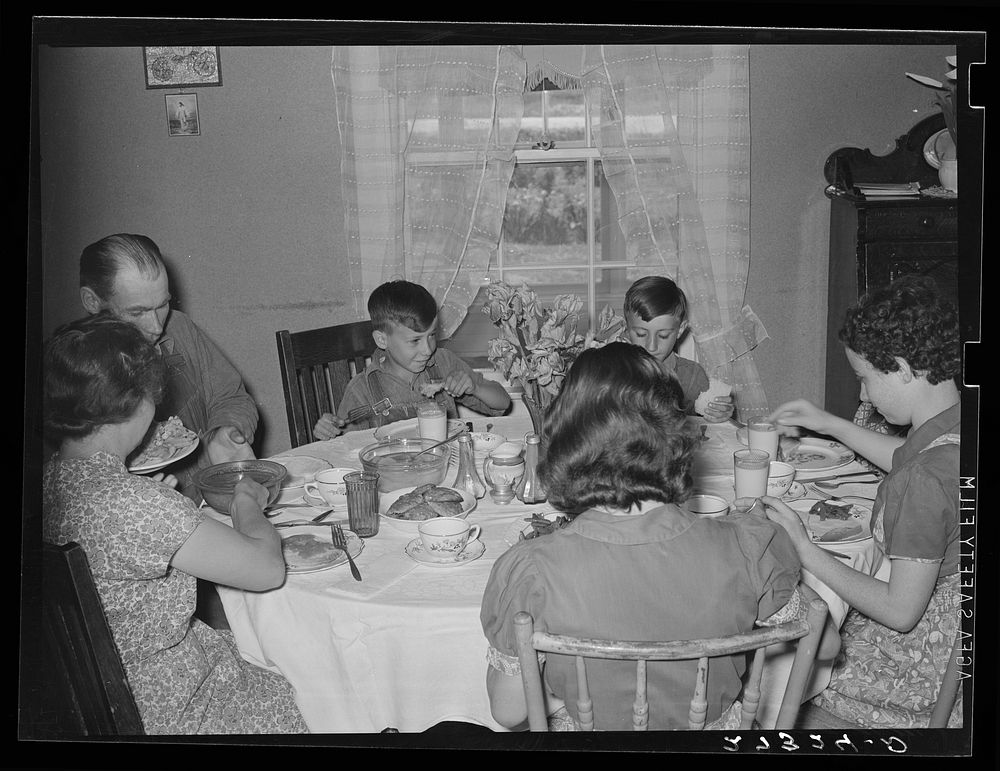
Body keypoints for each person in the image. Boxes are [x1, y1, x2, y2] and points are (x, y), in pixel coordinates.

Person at [479, 342, 806, 731]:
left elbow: (509, 710)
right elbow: (826, 646)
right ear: (674, 437)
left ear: (567, 439)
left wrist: (579, 685)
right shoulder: (750, 546)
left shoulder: (530, 569)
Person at [41, 314, 307, 734]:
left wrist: (151, 501)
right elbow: (267, 570)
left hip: (93, 702)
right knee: (312, 684)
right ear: (135, 404)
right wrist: (245, 502)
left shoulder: (52, 479)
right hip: (173, 709)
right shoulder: (135, 504)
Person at [758, 275, 962, 728]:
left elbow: (900, 612)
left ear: (905, 368)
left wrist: (805, 547)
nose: (863, 395)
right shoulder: (958, 424)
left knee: (782, 669)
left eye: (865, 379)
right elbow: (908, 456)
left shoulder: (924, 482)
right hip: (953, 642)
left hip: (919, 669)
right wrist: (830, 424)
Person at [79, 233, 258, 503]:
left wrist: (226, 430)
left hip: (209, 499)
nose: (156, 326)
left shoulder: (180, 327)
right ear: (92, 302)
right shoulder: (76, 371)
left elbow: (230, 397)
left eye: (163, 305)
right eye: (137, 312)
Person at [312, 280, 511, 438]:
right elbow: (345, 447)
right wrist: (330, 431)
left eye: (432, 335)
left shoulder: (444, 363)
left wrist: (475, 388)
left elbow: (502, 403)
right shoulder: (362, 389)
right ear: (382, 340)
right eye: (415, 340)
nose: (427, 349)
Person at [623, 276, 734, 422]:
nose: (651, 346)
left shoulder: (692, 377)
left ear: (680, 330)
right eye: (641, 334)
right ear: (626, 328)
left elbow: (703, 426)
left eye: (663, 335)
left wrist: (718, 414)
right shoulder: (613, 373)